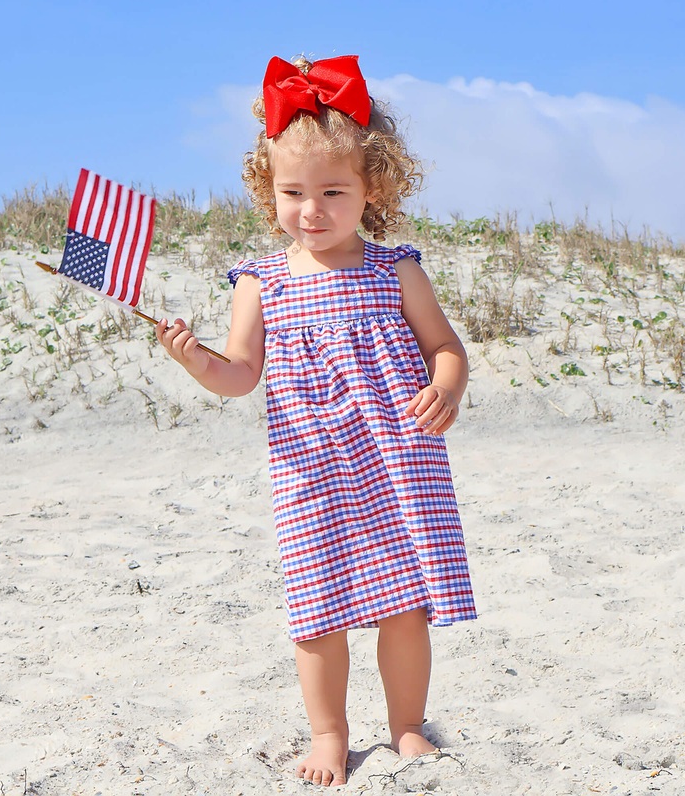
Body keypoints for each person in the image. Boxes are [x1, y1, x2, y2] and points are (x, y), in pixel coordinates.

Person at [155, 53, 476, 788]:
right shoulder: (260, 282)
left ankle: (405, 726)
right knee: (317, 606)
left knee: (404, 604)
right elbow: (239, 375)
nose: (312, 209)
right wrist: (195, 360)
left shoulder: (395, 270)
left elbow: (444, 346)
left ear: (374, 188)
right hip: (312, 468)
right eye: (293, 192)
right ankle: (329, 734)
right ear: (269, 191)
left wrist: (448, 388)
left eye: (334, 190)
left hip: (399, 455)